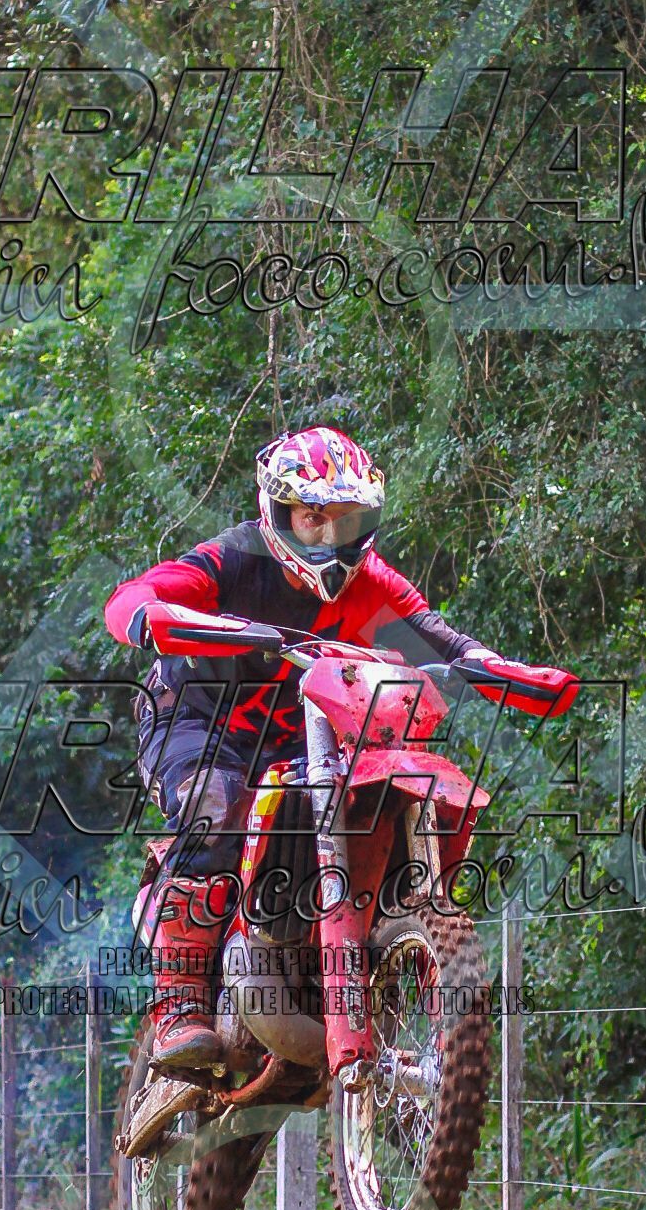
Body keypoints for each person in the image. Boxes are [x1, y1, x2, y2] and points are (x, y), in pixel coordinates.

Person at [104, 424, 553, 1071]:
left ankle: (385, 969)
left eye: (345, 520)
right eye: (312, 518)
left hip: (302, 732)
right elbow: (135, 596)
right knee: (215, 805)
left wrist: (504, 672)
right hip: (195, 720)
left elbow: (441, 638)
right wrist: (151, 616)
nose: (328, 536)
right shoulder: (233, 558)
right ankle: (179, 1004)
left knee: (370, 795)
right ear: (278, 510)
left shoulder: (372, 582)